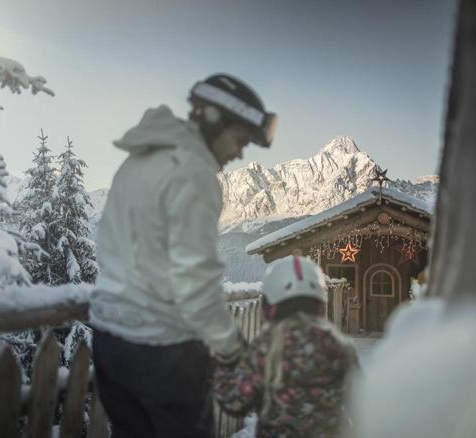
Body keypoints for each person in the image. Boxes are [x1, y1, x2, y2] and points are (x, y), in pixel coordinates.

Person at [89, 74, 278, 437]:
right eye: (240, 140)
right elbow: (196, 284)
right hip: (162, 350)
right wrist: (230, 346)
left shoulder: (140, 159)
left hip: (109, 340)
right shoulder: (194, 175)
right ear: (211, 121)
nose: (239, 153)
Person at [213, 255, 360, 437]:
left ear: (270, 307)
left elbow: (234, 402)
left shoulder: (267, 346)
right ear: (321, 305)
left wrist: (224, 361)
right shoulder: (340, 346)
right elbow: (361, 405)